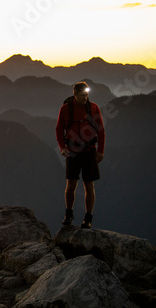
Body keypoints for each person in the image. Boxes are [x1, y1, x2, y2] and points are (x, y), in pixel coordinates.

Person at [55, 81, 105, 229]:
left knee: (89, 185)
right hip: (72, 152)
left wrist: (100, 150)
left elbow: (101, 130)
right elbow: (59, 130)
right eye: (83, 96)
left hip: (89, 152)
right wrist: (62, 148)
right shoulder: (65, 109)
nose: (85, 98)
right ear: (75, 94)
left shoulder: (93, 108)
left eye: (87, 95)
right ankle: (68, 215)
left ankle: (88, 218)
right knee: (71, 185)